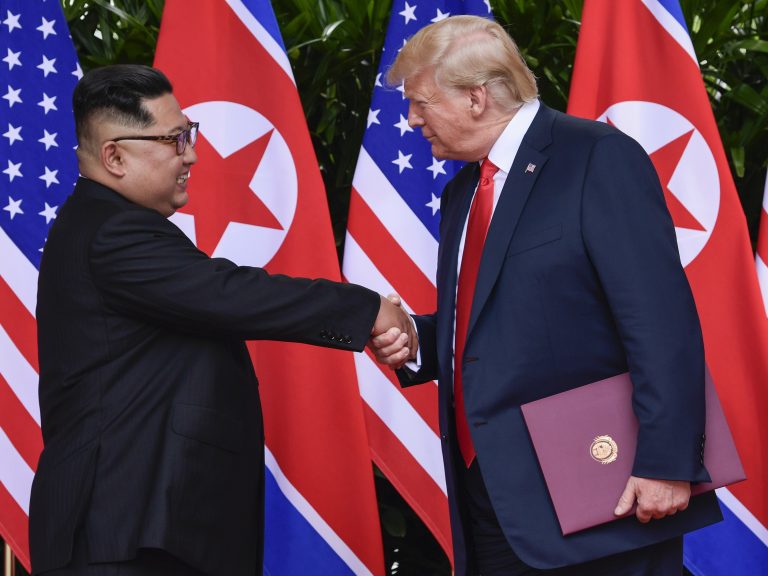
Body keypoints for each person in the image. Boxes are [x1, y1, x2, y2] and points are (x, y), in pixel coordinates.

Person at [370, 15, 722, 576]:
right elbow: (498, 322)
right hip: (492, 499)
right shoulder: (464, 188)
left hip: (603, 491)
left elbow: (660, 319)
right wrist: (418, 338)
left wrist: (667, 462)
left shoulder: (596, 157)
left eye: (421, 102)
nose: (412, 120)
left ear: (476, 98)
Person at [31, 64, 412, 576]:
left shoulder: (107, 223)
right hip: (121, 532)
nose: (190, 154)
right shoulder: (111, 231)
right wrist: (367, 310)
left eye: (188, 134)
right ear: (114, 156)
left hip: (143, 530)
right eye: (172, 139)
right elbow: (229, 294)